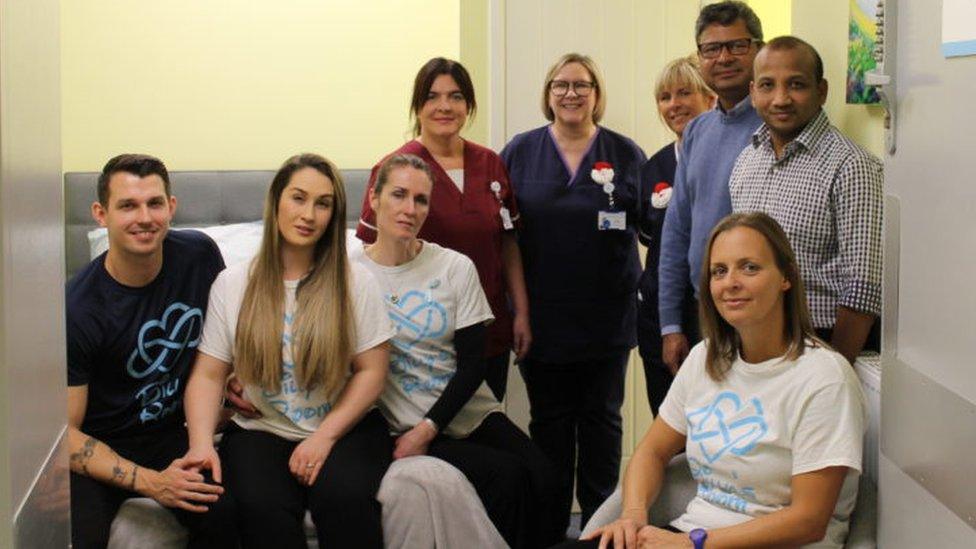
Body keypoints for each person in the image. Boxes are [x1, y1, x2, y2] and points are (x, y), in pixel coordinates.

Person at [576, 212, 867, 548]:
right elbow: (652, 451)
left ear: (785, 277)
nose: (731, 282)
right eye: (719, 271)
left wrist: (691, 544)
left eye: (750, 267)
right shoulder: (705, 357)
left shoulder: (825, 378)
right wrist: (633, 514)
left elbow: (809, 520)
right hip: (693, 537)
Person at [182, 153, 395, 548]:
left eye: (323, 203)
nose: (309, 214)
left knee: (344, 500)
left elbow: (372, 371)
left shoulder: (355, 282)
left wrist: (324, 438)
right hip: (262, 429)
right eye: (298, 198)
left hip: (346, 430)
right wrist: (199, 445)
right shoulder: (233, 284)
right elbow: (209, 374)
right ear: (276, 200)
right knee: (261, 509)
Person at [351, 153, 561, 548]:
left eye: (421, 200)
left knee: (543, 476)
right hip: (400, 421)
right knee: (505, 478)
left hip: (464, 410)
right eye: (398, 195)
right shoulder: (350, 277)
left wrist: (430, 428)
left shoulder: (453, 267)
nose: (409, 209)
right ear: (374, 199)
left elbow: (471, 366)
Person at [501, 52, 647, 531]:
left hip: (606, 319)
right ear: (547, 94)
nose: (571, 93)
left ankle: (600, 530)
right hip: (541, 318)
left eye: (582, 85)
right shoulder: (520, 152)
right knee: (550, 425)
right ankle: (548, 528)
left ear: (597, 95)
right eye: (561, 85)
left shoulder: (625, 154)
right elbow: (503, 235)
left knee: (603, 425)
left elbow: (654, 227)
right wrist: (515, 313)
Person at [66, 154, 237, 549]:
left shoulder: (199, 255)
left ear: (171, 207)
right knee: (78, 536)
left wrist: (235, 381)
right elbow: (66, 436)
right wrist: (152, 484)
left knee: (226, 514)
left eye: (154, 203)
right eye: (127, 205)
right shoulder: (77, 309)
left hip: (172, 432)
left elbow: (226, 341)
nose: (144, 217)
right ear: (100, 214)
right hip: (103, 446)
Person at [357, 57, 530, 401]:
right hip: (418, 338)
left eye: (456, 97)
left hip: (488, 326)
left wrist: (521, 312)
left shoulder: (491, 163)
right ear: (417, 107)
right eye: (432, 97)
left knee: (483, 429)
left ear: (468, 105)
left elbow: (508, 243)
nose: (444, 107)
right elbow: (369, 260)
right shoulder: (394, 171)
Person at [730, 36, 883, 365]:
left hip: (820, 342)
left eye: (796, 85)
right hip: (754, 341)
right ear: (753, 91)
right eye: (768, 85)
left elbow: (864, 287)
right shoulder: (747, 160)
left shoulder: (852, 167)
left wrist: (833, 370)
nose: (781, 99)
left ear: (821, 90)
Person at [657, 0, 764, 376]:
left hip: (759, 315)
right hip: (701, 311)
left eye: (737, 46)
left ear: (757, 51)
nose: (724, 58)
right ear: (700, 57)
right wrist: (670, 324)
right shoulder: (698, 131)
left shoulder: (774, 126)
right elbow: (676, 231)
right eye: (712, 49)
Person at [638, 55, 716, 415]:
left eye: (685, 93)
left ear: (710, 97)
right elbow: (650, 238)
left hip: (712, 311)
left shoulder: (734, 156)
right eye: (665, 97)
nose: (674, 105)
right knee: (667, 418)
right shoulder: (653, 166)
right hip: (660, 313)